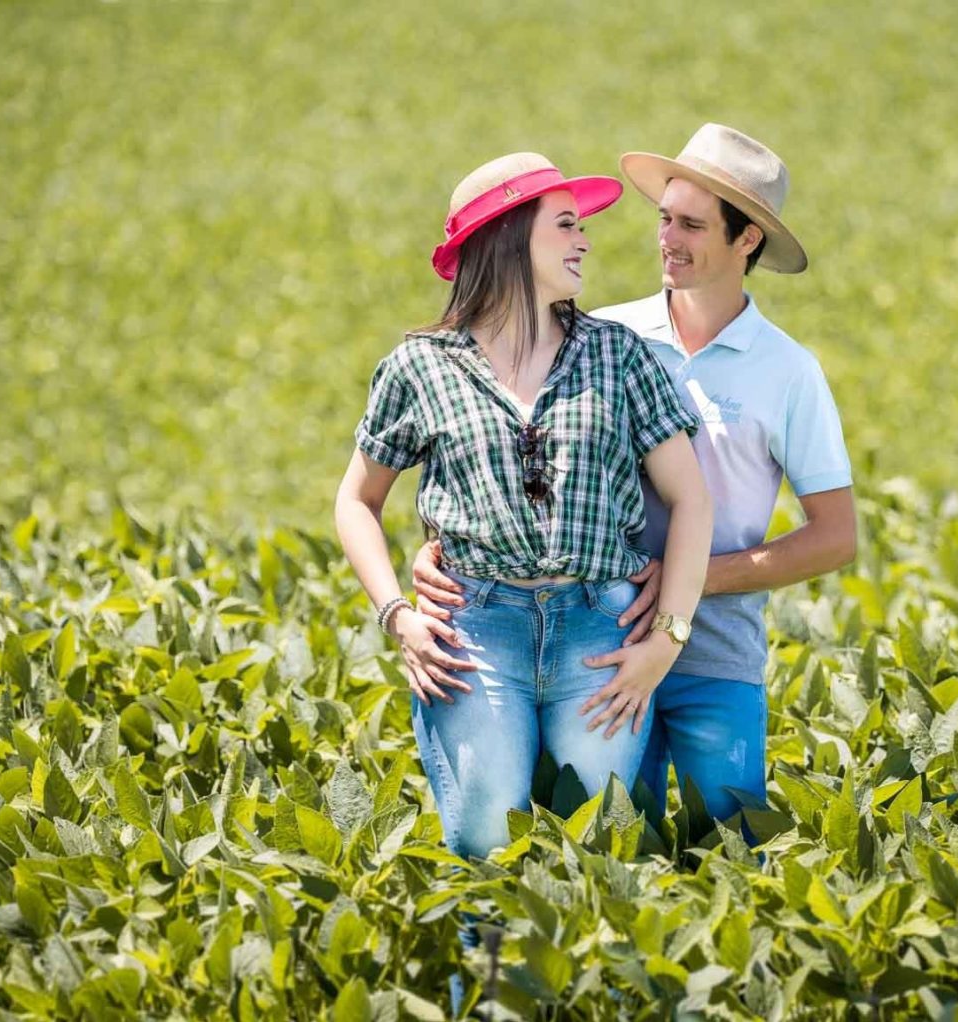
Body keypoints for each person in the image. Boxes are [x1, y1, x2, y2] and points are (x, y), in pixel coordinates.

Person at [413, 125, 856, 830]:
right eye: (664, 218)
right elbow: (498, 446)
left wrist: (689, 581)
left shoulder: (789, 371)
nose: (667, 238)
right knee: (616, 850)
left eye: (691, 224)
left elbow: (836, 538)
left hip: (717, 653)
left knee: (734, 841)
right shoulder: (603, 337)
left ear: (747, 242)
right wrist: (440, 548)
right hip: (589, 646)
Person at [333, 152, 713, 861]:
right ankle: (488, 973)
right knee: (483, 841)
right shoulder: (421, 366)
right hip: (474, 633)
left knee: (595, 848)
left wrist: (667, 640)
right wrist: (398, 617)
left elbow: (691, 499)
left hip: (601, 631)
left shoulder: (618, 356)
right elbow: (357, 500)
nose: (585, 241)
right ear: (508, 236)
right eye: (565, 224)